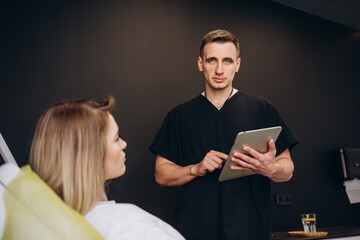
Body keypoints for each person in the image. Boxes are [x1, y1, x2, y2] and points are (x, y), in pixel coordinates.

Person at [150, 29, 299, 240]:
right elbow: (161, 175)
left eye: (227, 61)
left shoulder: (262, 109)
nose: (219, 69)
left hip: (251, 229)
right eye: (212, 60)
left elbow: (288, 170)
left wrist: (271, 168)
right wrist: (196, 168)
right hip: (196, 230)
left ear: (237, 64)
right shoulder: (179, 116)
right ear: (200, 63)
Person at [29, 97, 185, 240]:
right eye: (116, 138)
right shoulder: (127, 225)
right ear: (90, 156)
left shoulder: (48, 225)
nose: (123, 144)